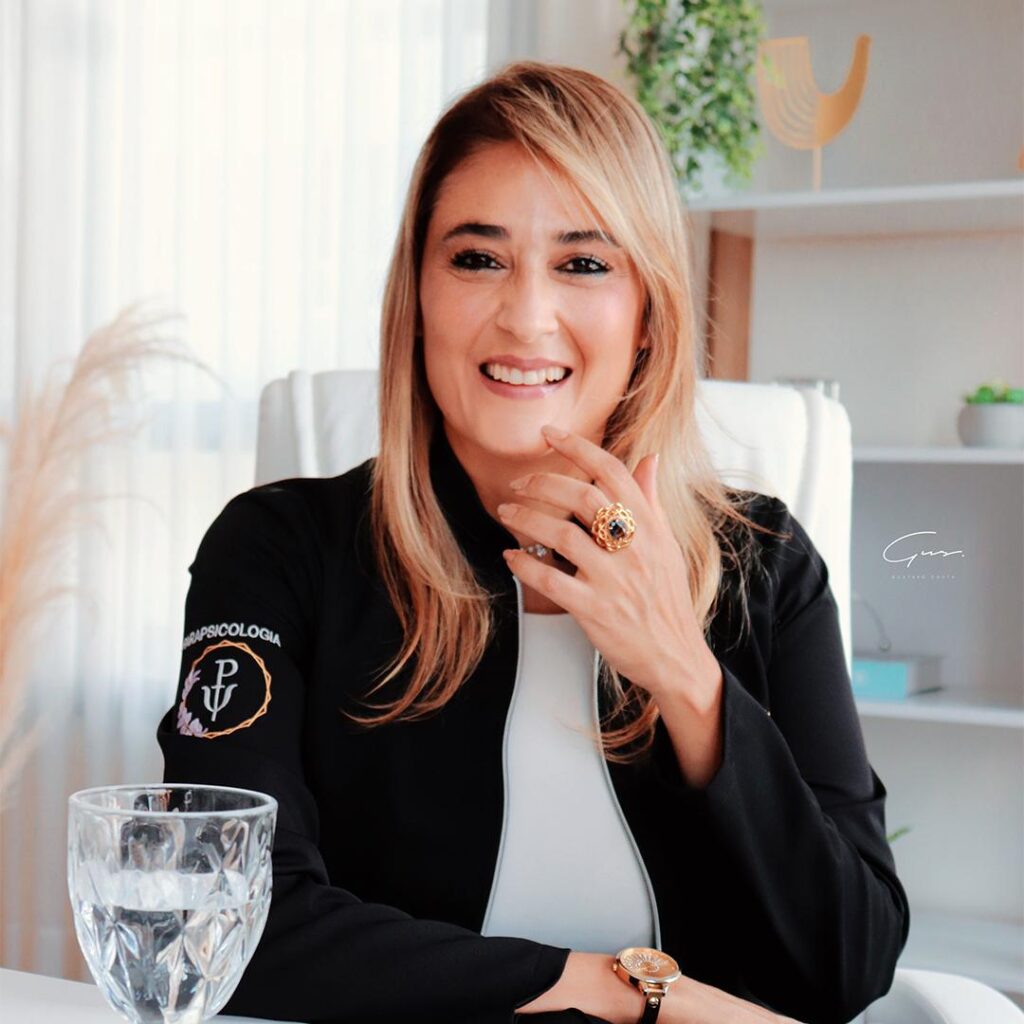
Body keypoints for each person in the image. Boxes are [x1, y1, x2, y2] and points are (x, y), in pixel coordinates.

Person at [157, 60, 910, 1024]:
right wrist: (629, 991)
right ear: (417, 297)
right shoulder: (278, 550)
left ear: (648, 315)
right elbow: (225, 918)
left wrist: (686, 675)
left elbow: (848, 962)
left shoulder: (764, 560)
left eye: (583, 264)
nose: (525, 316)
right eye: (477, 259)